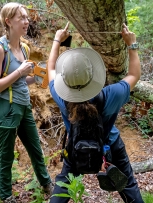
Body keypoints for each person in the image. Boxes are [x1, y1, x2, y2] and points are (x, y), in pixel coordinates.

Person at [47, 22, 145, 203]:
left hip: (76, 146)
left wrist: (57, 40)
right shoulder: (111, 95)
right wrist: (132, 44)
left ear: (65, 82)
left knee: (63, 186)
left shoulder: (61, 97)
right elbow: (134, 75)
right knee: (128, 185)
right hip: (111, 145)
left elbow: (51, 70)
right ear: (94, 76)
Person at [0, 2, 53, 202]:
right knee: (6, 157)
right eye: (21, 17)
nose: (26, 21)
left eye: (27, 17)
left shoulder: (24, 48)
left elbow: (20, 81)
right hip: (5, 109)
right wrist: (19, 72)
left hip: (23, 107)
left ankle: (47, 185)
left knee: (36, 150)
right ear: (8, 21)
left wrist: (37, 79)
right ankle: (6, 197)